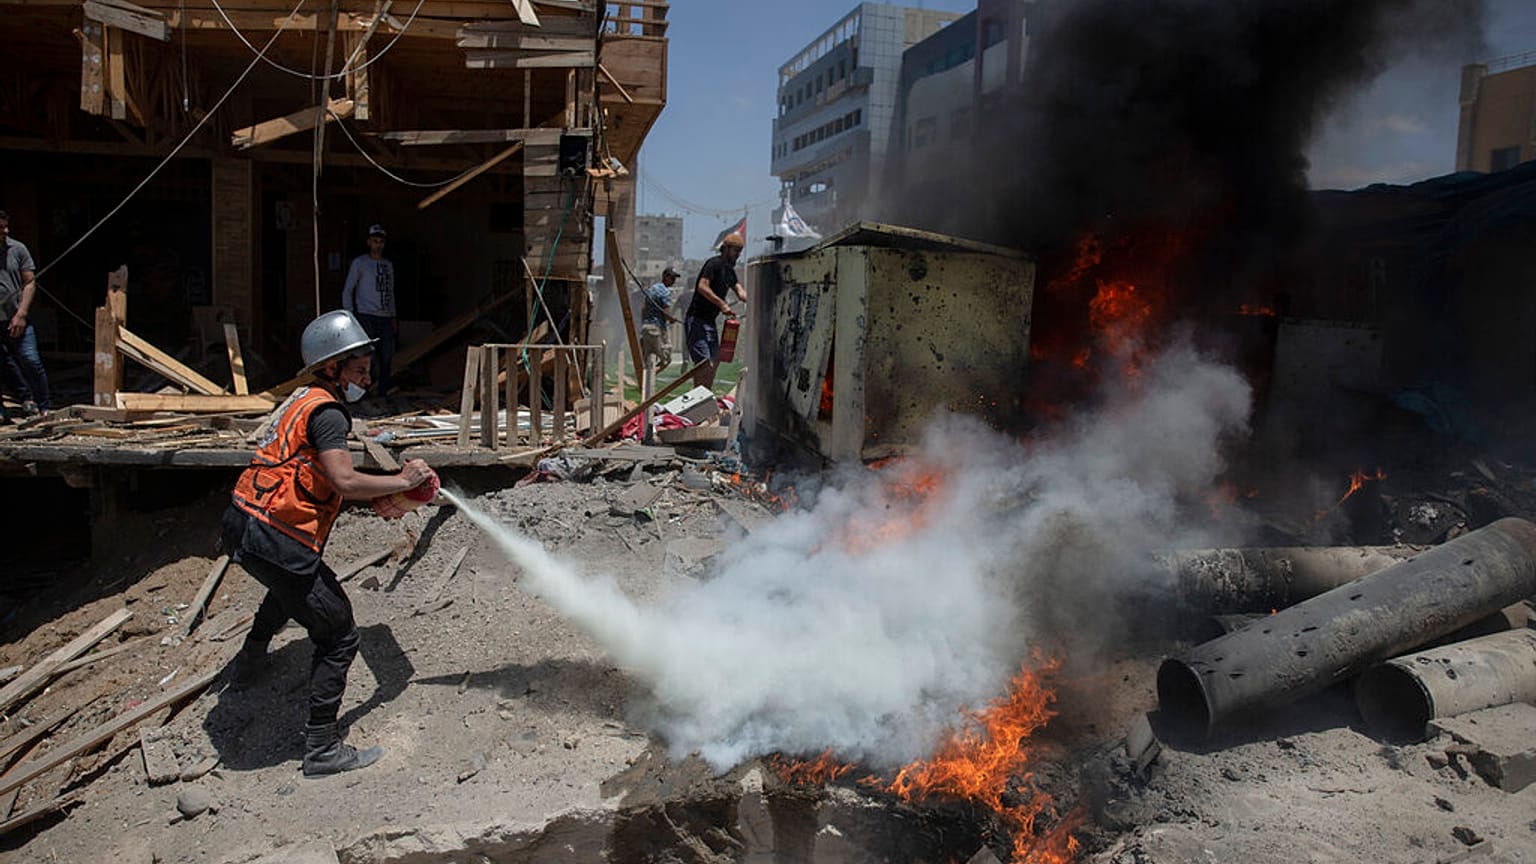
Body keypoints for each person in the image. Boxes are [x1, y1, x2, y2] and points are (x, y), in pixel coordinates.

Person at [221, 309, 434, 777]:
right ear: (332, 367)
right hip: (277, 536)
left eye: (367, 366)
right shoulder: (329, 413)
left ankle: (247, 667)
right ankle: (320, 747)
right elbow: (341, 479)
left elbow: (316, 474)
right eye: (357, 368)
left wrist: (384, 490)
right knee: (339, 634)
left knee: (289, 588)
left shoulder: (303, 400)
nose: (366, 376)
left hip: (243, 523)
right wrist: (401, 478)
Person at [0, 210, 50, 421]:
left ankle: (43, 405)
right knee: (2, 363)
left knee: (30, 360)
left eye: (5, 226)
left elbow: (29, 282)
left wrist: (21, 313)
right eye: (0, 227)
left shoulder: (17, 249)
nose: (5, 230)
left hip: (16, 317)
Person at [684, 233, 748, 390]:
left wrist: (752, 299)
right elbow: (702, 286)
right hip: (697, 319)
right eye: (735, 251)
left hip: (710, 322)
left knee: (715, 360)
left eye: (740, 251)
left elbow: (740, 291)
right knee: (703, 362)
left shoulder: (730, 271)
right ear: (725, 249)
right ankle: (697, 402)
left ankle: (705, 396)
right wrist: (722, 304)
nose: (738, 255)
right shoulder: (714, 264)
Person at [341, 224, 396, 395]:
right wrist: (350, 315)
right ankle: (364, 394)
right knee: (366, 358)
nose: (378, 245)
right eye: (374, 241)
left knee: (386, 357)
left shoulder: (387, 265)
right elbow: (348, 289)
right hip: (366, 315)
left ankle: (382, 393)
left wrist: (394, 315)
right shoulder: (360, 263)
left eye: (381, 242)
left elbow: (391, 291)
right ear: (369, 242)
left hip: (385, 316)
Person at [640, 266, 680, 374]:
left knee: (648, 359)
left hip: (646, 328)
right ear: (665, 276)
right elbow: (666, 314)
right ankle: (647, 378)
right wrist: (672, 319)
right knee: (666, 360)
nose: (673, 281)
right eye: (672, 278)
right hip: (657, 328)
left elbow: (643, 309)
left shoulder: (651, 289)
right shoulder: (665, 292)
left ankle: (646, 382)